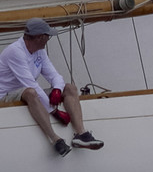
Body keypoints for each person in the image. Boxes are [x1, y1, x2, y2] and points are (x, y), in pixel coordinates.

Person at [1, 18, 102, 157]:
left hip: (27, 90)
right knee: (31, 92)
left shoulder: (39, 50)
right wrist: (54, 111)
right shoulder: (15, 51)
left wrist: (57, 89)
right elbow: (30, 84)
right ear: (39, 37)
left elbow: (55, 76)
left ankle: (81, 134)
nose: (49, 38)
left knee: (70, 88)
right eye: (47, 35)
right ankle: (55, 139)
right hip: (6, 95)